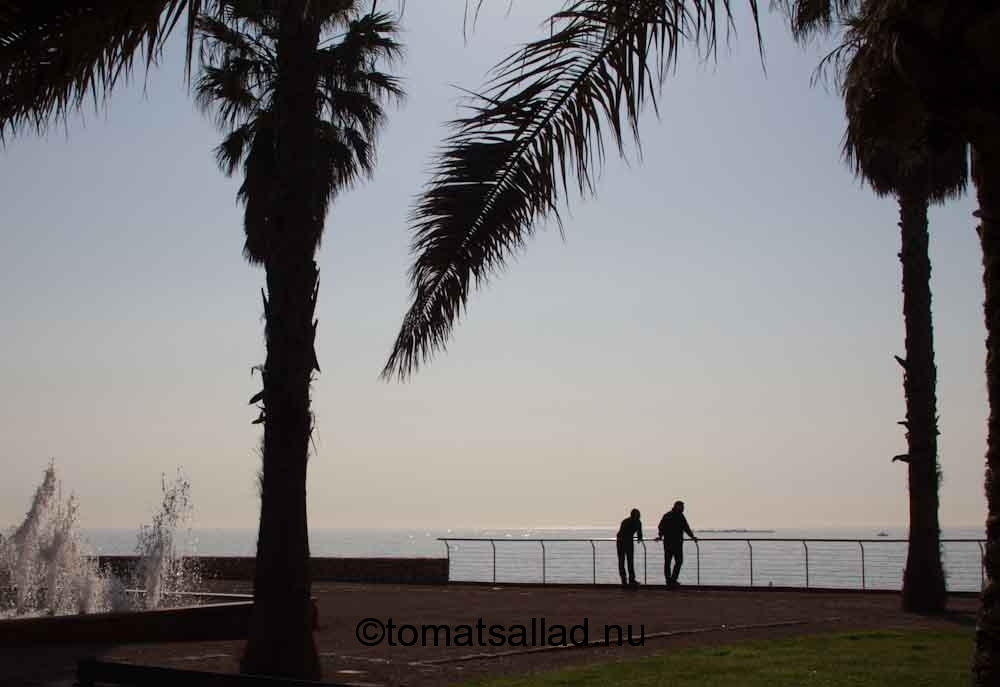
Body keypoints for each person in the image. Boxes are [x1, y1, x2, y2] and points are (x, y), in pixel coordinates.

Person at [656, 500, 697, 588]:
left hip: (669, 543)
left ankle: (669, 580)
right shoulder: (676, 516)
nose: (683, 509)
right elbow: (686, 528)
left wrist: (660, 536)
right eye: (682, 507)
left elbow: (661, 527)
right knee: (677, 561)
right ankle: (672, 580)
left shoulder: (668, 515)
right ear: (677, 506)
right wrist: (692, 537)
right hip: (675, 543)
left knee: (669, 562)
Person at [616, 508, 643, 588]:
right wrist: (639, 537)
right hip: (621, 542)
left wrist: (639, 537)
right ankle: (624, 579)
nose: (639, 516)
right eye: (638, 515)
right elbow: (622, 533)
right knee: (622, 561)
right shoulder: (626, 521)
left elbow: (639, 532)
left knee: (629, 561)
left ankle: (630, 579)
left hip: (628, 542)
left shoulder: (637, 522)